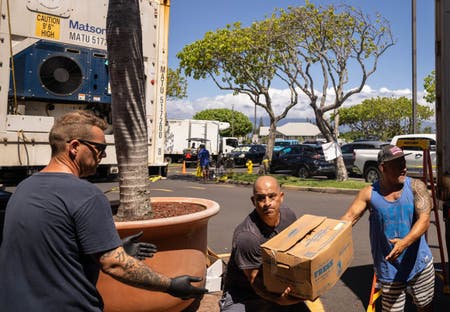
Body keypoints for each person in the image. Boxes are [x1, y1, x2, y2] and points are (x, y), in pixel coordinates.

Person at [0, 110, 207, 310]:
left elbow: (50, 249)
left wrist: (107, 248)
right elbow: (115, 266)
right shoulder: (86, 195)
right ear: (74, 147)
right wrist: (171, 285)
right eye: (99, 147)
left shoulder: (24, 188)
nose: (103, 155)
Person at [341, 144, 435, 312]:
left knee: (424, 306)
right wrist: (324, 239)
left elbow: (425, 220)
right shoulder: (369, 193)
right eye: (397, 165)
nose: (404, 168)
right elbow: (348, 219)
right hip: (389, 269)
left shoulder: (416, 187)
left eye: (403, 162)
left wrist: (404, 243)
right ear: (383, 168)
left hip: (419, 264)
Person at [219, 175, 308, 312]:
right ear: (253, 201)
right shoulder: (247, 237)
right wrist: (279, 301)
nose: (267, 203)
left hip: (277, 285)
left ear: (281, 197)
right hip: (244, 295)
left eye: (272, 196)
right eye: (261, 198)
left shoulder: (288, 216)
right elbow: (256, 283)